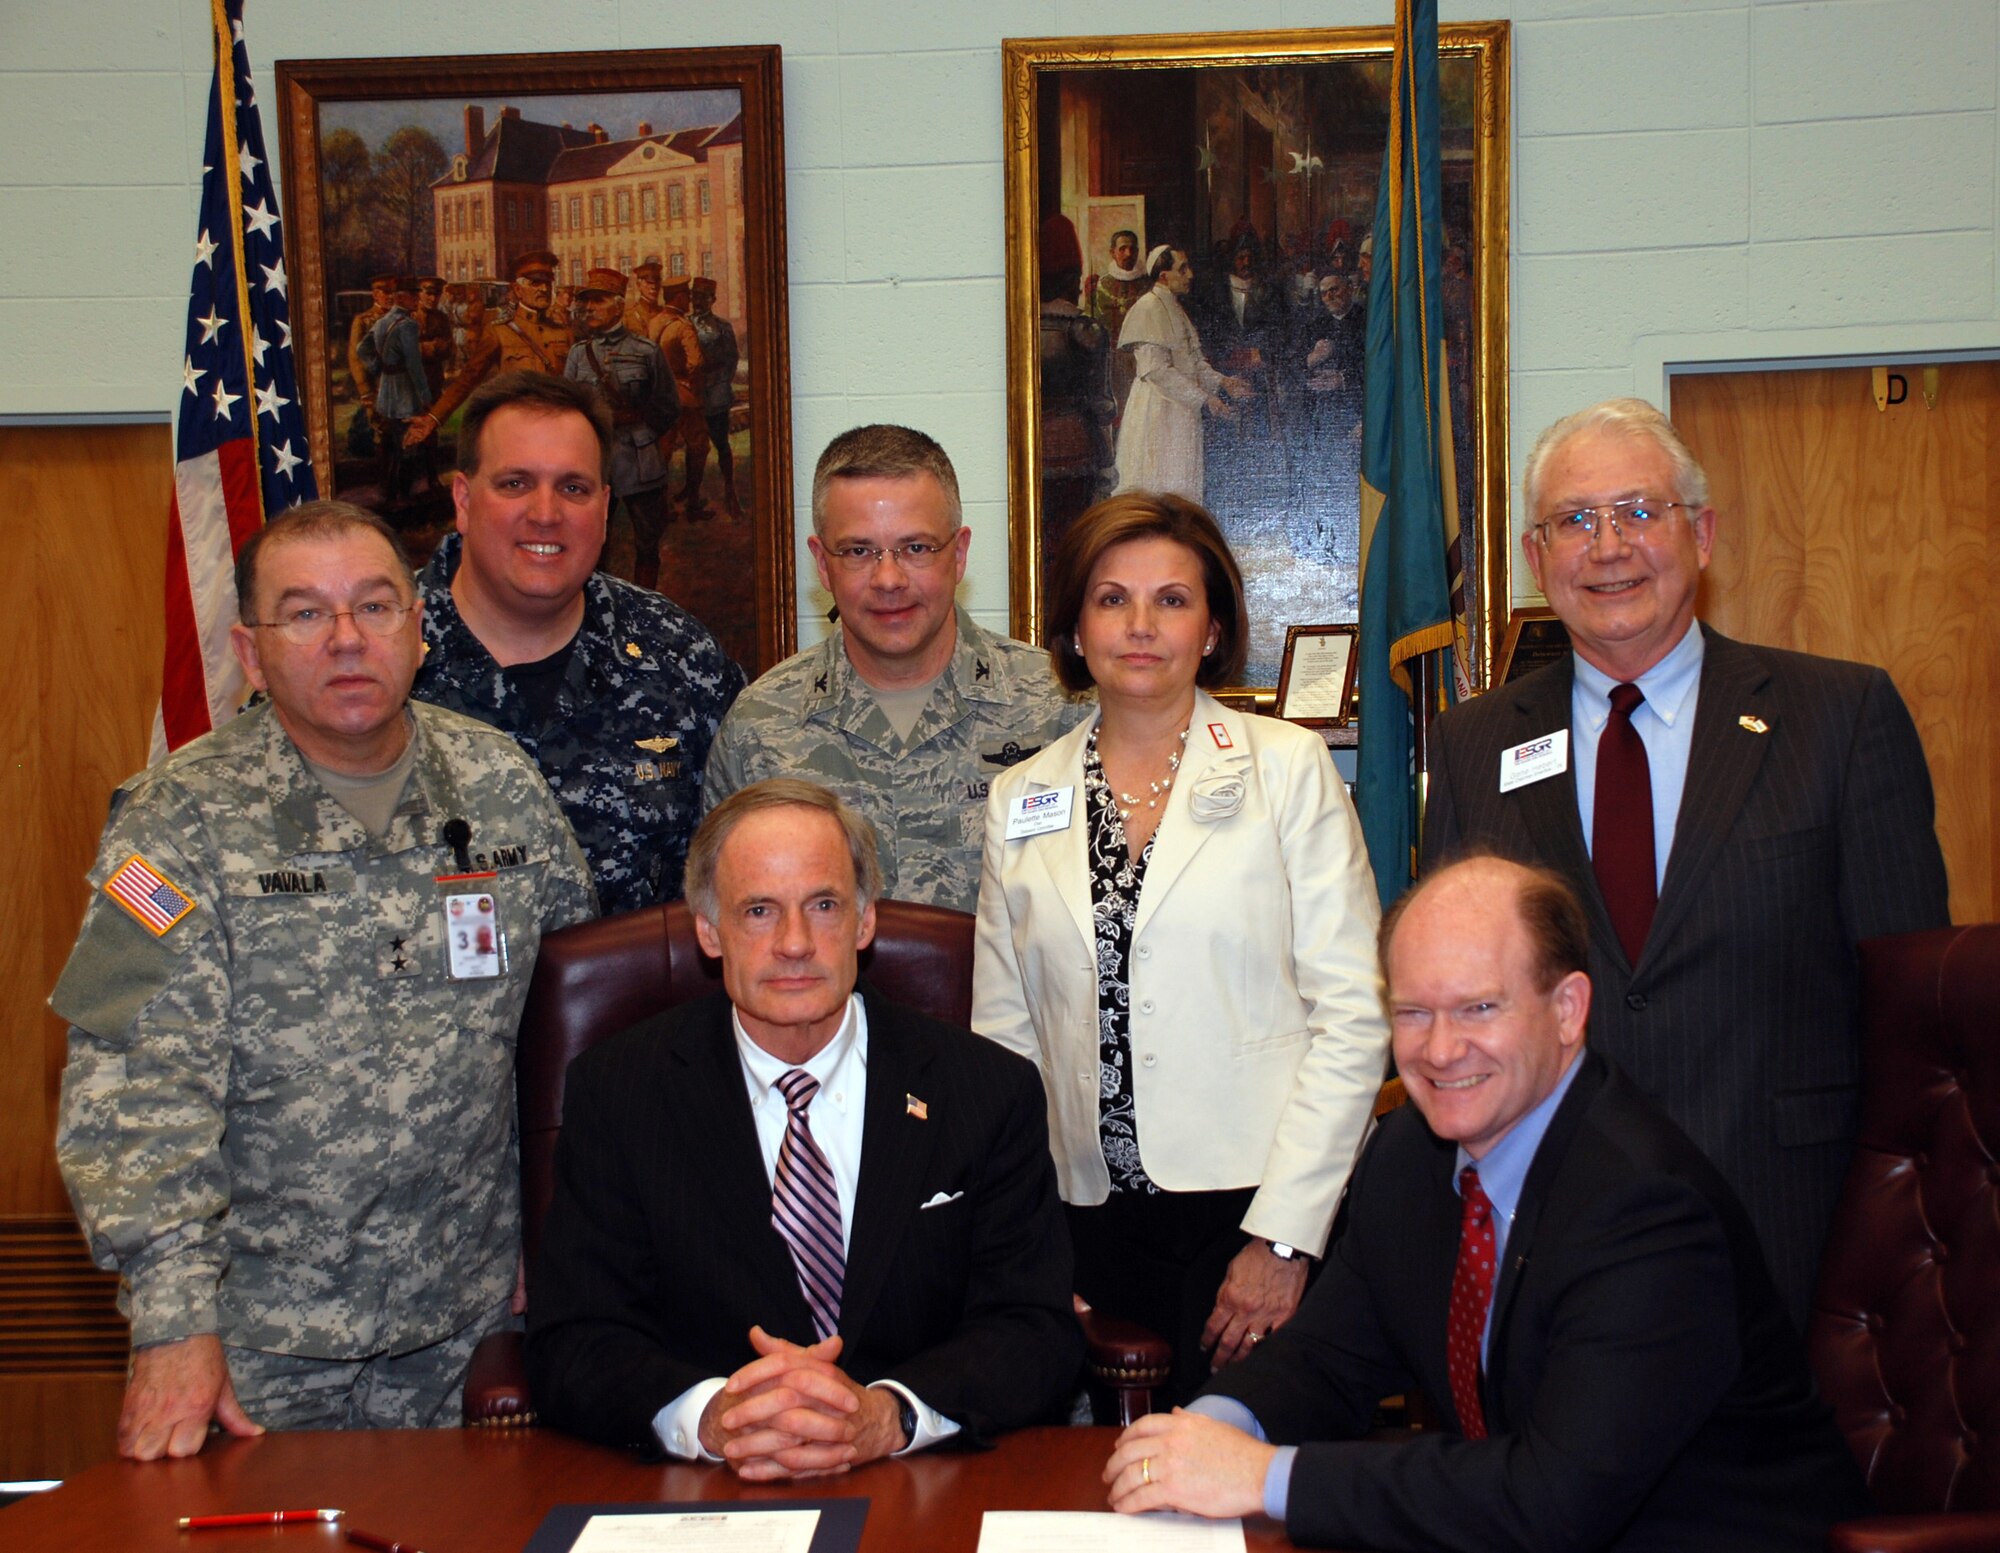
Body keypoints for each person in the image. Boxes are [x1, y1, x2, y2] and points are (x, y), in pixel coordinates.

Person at [1104, 855, 1872, 1552]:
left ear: (1567, 1009)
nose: (1440, 1049)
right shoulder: (1409, 1155)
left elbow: (1551, 1502)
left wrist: (1264, 1476)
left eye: (1477, 1008)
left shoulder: (1646, 1209)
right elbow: (1327, 1358)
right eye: (1413, 1011)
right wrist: (1207, 1431)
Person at [52, 502, 598, 1460]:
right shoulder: (174, 821)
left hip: (470, 1324)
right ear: (251, 655)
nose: (347, 639)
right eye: (305, 613)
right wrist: (174, 1320)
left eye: (375, 606)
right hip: (256, 1343)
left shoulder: (499, 784)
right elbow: (132, 1087)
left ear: (419, 629)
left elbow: (573, 1027)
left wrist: (557, 1231)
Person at [1421, 397, 1949, 1322]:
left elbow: (1913, 1019)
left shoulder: (1840, 717)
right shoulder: (1474, 746)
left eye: (1639, 511)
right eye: (1574, 520)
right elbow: (1453, 1001)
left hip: (1795, 1232)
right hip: (1557, 1240)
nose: (1609, 546)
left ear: (1700, 535)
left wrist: (1904, 1246)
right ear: (1537, 558)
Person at [525, 780, 1082, 1471]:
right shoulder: (619, 1092)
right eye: (759, 911)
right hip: (712, 1490)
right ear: (709, 931)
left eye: (823, 905)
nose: (794, 943)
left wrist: (890, 1414)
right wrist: (715, 1416)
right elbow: (573, 1338)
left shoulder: (987, 1089)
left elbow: (1035, 1327)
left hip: (919, 1481)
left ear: (865, 920)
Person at [972, 492, 1387, 1412]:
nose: (1140, 625)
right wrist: (1025, 1246)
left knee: (1251, 1471)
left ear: (1213, 628)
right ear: (1074, 629)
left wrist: (1284, 1238)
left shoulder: (1287, 769)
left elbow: (1355, 1016)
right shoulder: (1021, 797)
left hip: (1255, 1210)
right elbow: (1003, 1045)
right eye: (1111, 599)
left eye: (1172, 599)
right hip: (1087, 1221)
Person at [704, 425, 1084, 913]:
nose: (888, 579)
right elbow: (728, 917)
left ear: (959, 554)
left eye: (916, 548)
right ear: (822, 563)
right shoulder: (759, 729)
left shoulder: (1061, 706)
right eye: (858, 551)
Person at [413, 370, 744, 915]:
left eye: (573, 488)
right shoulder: (374, 656)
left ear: (605, 507)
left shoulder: (679, 656)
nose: (546, 514)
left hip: (646, 974)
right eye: (515, 483)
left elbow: (745, 866)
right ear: (464, 500)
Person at [562, 266, 674, 591]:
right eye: (586, 302)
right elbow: (567, 409)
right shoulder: (579, 354)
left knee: (647, 542)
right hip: (595, 464)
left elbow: (667, 405)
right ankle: (596, 604)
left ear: (619, 305)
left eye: (598, 301)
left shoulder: (646, 351)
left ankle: (647, 603)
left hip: (641, 464)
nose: (589, 308)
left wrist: (645, 436)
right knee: (592, 542)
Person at [1112, 245, 1250, 502]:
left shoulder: (1175, 307)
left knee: (1182, 489)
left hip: (1183, 410)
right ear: (1164, 276)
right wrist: (1205, 399)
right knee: (1156, 489)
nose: (1190, 275)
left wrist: (1223, 382)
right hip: (1158, 411)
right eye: (1182, 269)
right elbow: (1158, 372)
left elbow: (1194, 362)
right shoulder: (1147, 308)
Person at [404, 249, 573, 450]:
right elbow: (468, 378)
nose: (544, 289)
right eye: (535, 283)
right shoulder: (499, 332)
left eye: (547, 283)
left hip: (556, 432)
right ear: (517, 289)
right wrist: (433, 418)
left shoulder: (564, 333)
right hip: (517, 433)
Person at [355, 278, 433, 506]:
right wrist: (425, 396)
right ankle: (404, 496)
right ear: (401, 297)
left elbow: (363, 349)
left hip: (385, 390)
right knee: (407, 443)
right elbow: (414, 364)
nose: (417, 298)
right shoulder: (408, 325)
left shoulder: (382, 322)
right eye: (413, 295)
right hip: (404, 391)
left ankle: (390, 492)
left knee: (390, 441)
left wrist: (377, 367)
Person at [645, 277, 709, 521]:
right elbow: (696, 362)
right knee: (699, 446)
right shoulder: (683, 326)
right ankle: (693, 503)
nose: (690, 300)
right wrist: (693, 385)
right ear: (679, 297)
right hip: (684, 396)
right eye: (686, 296)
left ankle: (662, 507)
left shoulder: (654, 322)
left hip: (659, 396)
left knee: (663, 451)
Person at [687, 275, 744, 519]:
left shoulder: (722, 327)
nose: (698, 301)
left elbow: (731, 359)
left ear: (713, 300)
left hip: (716, 395)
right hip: (693, 395)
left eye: (703, 297)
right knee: (694, 446)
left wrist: (719, 382)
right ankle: (692, 495)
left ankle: (730, 491)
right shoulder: (685, 323)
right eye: (695, 297)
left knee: (721, 444)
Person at [1086, 227, 1148, 416]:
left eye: (1133, 249)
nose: (1128, 254)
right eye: (1122, 249)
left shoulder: (1148, 285)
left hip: (1142, 358)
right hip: (1111, 358)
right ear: (1112, 252)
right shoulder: (1099, 286)